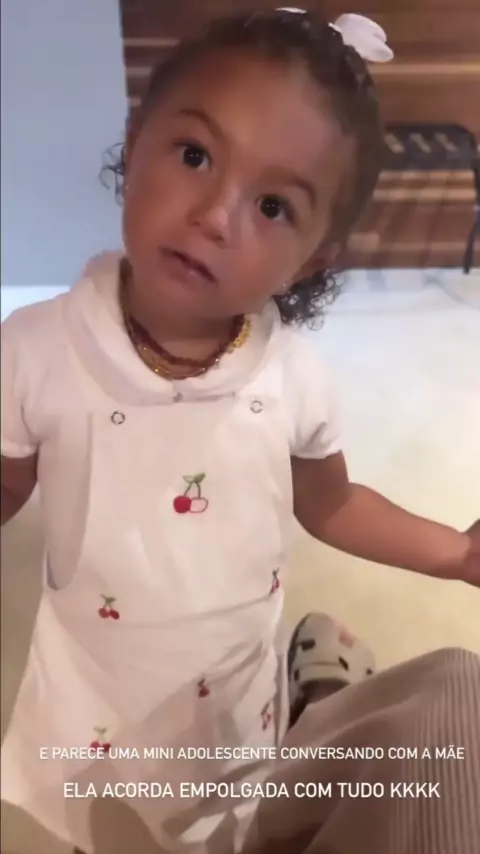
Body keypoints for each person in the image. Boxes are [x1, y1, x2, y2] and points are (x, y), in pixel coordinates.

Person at [1, 7, 479, 853]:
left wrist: (457, 554)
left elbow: (331, 504)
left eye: (272, 205)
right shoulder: (35, 351)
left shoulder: (292, 377)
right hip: (94, 694)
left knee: (224, 825)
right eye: (194, 156)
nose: (216, 217)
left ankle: (309, 709)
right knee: (105, 831)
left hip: (230, 696)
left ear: (314, 258)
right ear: (135, 143)